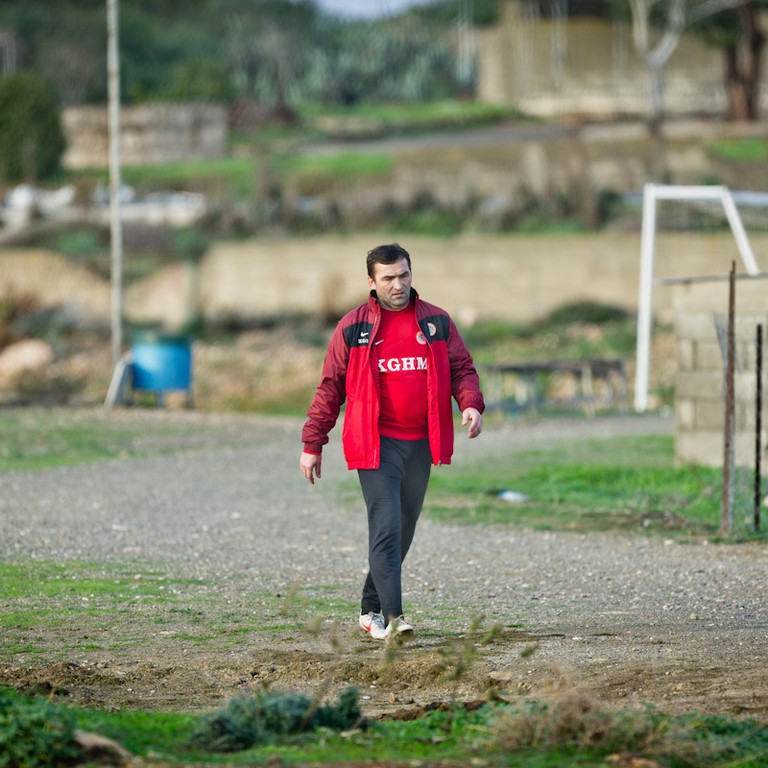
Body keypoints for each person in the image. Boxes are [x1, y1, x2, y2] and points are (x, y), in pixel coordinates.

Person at [300, 243, 484, 644]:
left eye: (404, 275)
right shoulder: (353, 328)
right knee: (385, 527)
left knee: (403, 528)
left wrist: (470, 404)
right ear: (372, 282)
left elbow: (462, 369)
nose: (398, 284)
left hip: (421, 442)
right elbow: (330, 388)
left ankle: (368, 610)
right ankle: (394, 617)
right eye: (388, 278)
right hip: (376, 443)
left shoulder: (436, 321)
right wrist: (313, 442)